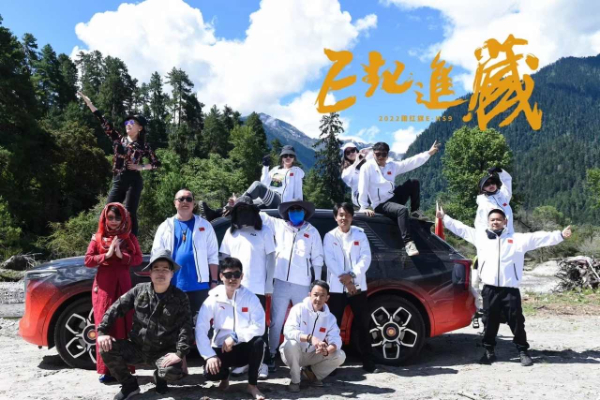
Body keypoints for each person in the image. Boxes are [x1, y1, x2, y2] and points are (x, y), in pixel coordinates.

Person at [437, 205, 572, 366]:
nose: (495, 222)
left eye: (498, 220)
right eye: (492, 220)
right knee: (489, 321)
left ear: (505, 221)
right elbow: (461, 229)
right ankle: (489, 351)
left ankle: (522, 351)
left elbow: (538, 238)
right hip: (490, 289)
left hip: (510, 289)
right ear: (488, 222)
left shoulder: (518, 239)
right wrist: (444, 218)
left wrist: (560, 235)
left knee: (516, 321)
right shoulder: (480, 237)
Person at [98, 250, 193, 399]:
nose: (160, 272)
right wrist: (102, 332)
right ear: (150, 273)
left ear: (172, 273)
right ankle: (129, 385)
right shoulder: (139, 290)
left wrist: (179, 353)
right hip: (136, 348)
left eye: (165, 269)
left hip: (163, 351)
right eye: (156, 268)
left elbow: (186, 327)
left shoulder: (180, 297)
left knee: (172, 372)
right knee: (106, 348)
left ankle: (160, 377)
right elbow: (116, 309)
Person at [79, 92, 160, 236]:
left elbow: (156, 163)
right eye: (127, 123)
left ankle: (131, 241)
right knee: (108, 210)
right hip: (118, 178)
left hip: (133, 180)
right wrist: (89, 103)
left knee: (129, 211)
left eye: (132, 123)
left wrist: (140, 167)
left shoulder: (144, 146)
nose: (128, 125)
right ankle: (102, 238)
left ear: (140, 128)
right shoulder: (118, 138)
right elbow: (103, 121)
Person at [260, 199, 324, 371]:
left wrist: (317, 283)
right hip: (280, 282)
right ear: (287, 212)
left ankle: (304, 356)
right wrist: (241, 203)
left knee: (303, 321)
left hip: (302, 284)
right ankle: (271, 353)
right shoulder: (280, 226)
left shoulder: (312, 231)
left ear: (304, 212)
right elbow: (262, 216)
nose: (295, 211)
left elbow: (317, 258)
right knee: (276, 321)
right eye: (292, 209)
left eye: (299, 209)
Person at [85, 203, 143, 383]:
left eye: (118, 218)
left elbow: (138, 259)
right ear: (105, 218)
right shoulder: (97, 238)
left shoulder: (129, 238)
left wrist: (121, 255)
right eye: (110, 217)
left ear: (124, 218)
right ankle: (106, 370)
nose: (114, 221)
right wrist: (107, 255)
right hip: (104, 287)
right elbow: (88, 260)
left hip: (123, 285)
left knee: (123, 324)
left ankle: (124, 369)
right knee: (104, 324)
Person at [219, 195, 276, 379]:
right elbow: (224, 258)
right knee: (239, 326)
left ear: (254, 212)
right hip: (235, 287)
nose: (244, 213)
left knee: (260, 327)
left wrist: (269, 284)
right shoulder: (231, 233)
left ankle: (263, 363)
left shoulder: (264, 231)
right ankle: (244, 362)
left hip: (258, 287)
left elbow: (271, 258)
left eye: (247, 210)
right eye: (240, 210)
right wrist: (224, 282)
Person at [196, 257, 267, 400]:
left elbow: (260, 326)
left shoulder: (250, 297)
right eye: (228, 275)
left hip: (243, 346)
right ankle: (224, 377)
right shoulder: (213, 298)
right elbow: (200, 328)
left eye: (236, 274)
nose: (232, 278)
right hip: (221, 347)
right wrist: (209, 356)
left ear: (242, 276)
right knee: (210, 374)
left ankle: (252, 385)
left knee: (259, 342)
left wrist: (236, 337)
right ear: (221, 276)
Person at [357, 141, 439, 257]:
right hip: (380, 204)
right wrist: (364, 207)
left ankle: (415, 211)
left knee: (413, 182)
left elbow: (410, 163)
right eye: (378, 154)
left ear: (387, 155)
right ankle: (408, 243)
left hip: (393, 198)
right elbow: (363, 187)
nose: (380, 157)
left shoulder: (391, 166)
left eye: (383, 154)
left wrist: (428, 153)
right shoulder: (367, 167)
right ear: (373, 154)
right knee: (402, 210)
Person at [324, 202, 377, 373]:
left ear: (352, 217)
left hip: (357, 286)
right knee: (334, 325)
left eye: (347, 215)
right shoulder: (329, 236)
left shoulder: (360, 234)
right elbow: (330, 261)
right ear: (335, 217)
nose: (344, 218)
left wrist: (352, 276)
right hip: (337, 288)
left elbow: (365, 258)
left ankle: (368, 362)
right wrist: (346, 281)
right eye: (340, 215)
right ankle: (332, 363)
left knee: (363, 323)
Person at [151, 189, 219, 322]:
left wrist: (214, 282)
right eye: (181, 199)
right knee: (173, 326)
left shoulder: (205, 225)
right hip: (172, 286)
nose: (185, 202)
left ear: (193, 203)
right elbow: (156, 255)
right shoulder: (165, 226)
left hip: (200, 287)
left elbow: (213, 255)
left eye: (189, 199)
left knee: (201, 327)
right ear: (175, 203)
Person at [201, 145, 305, 220]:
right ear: (282, 157)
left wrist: (298, 209)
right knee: (247, 202)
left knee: (257, 186)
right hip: (269, 199)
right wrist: (265, 167)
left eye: (290, 156)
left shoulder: (297, 172)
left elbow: (298, 193)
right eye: (285, 155)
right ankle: (216, 214)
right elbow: (264, 183)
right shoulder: (275, 170)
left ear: (294, 158)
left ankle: (236, 205)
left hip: (281, 203)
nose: (288, 157)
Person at [280, 280, 346, 392]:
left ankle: (310, 374)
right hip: (293, 353)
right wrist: (310, 338)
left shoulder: (330, 318)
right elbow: (288, 331)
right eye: (315, 295)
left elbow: (336, 339)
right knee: (291, 344)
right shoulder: (298, 309)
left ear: (327, 298)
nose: (318, 299)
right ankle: (295, 381)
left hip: (313, 355)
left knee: (340, 355)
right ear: (309, 294)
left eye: (322, 295)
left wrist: (327, 350)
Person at [476, 167, 514, 234]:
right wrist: (487, 232)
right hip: (494, 237)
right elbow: (480, 223)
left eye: (492, 182)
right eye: (487, 184)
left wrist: (500, 171)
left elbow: (507, 180)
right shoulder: (484, 204)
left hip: (509, 235)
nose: (491, 185)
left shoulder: (503, 196)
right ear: (483, 189)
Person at [340, 142, 372, 208]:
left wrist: (368, 150)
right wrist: (357, 161)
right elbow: (345, 177)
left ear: (356, 151)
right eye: (348, 153)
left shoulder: (366, 161)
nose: (351, 153)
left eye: (352, 150)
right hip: (358, 195)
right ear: (345, 156)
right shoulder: (346, 170)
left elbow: (379, 151)